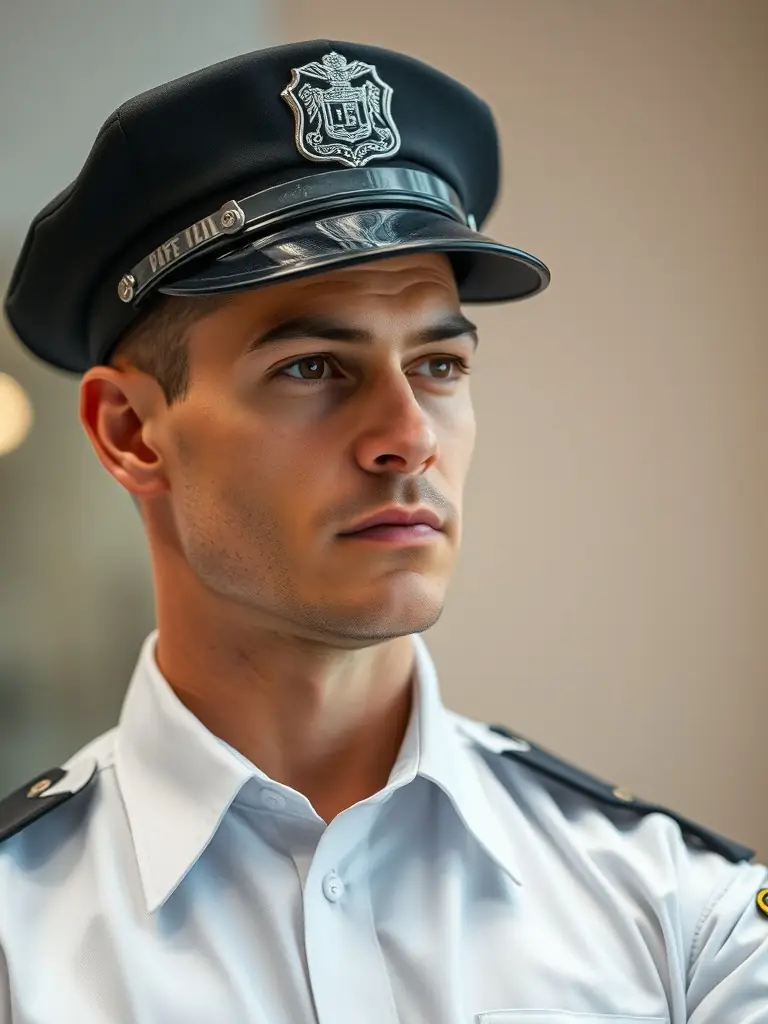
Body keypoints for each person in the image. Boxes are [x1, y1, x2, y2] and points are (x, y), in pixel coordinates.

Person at [0, 39, 765, 1024]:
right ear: (131, 431)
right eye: (314, 367)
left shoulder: (682, 918)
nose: (407, 437)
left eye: (441, 366)